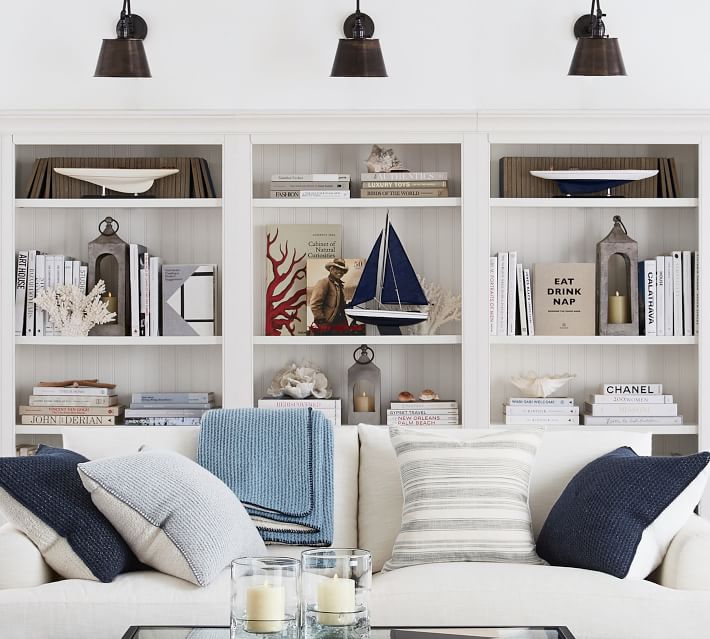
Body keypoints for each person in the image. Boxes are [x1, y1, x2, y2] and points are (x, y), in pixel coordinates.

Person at [310, 258, 350, 334]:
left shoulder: (340, 285)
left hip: (340, 322)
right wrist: (321, 321)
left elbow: (340, 305)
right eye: (337, 269)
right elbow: (315, 304)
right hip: (326, 323)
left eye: (342, 270)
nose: (340, 272)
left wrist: (349, 305)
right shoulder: (324, 282)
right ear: (331, 269)